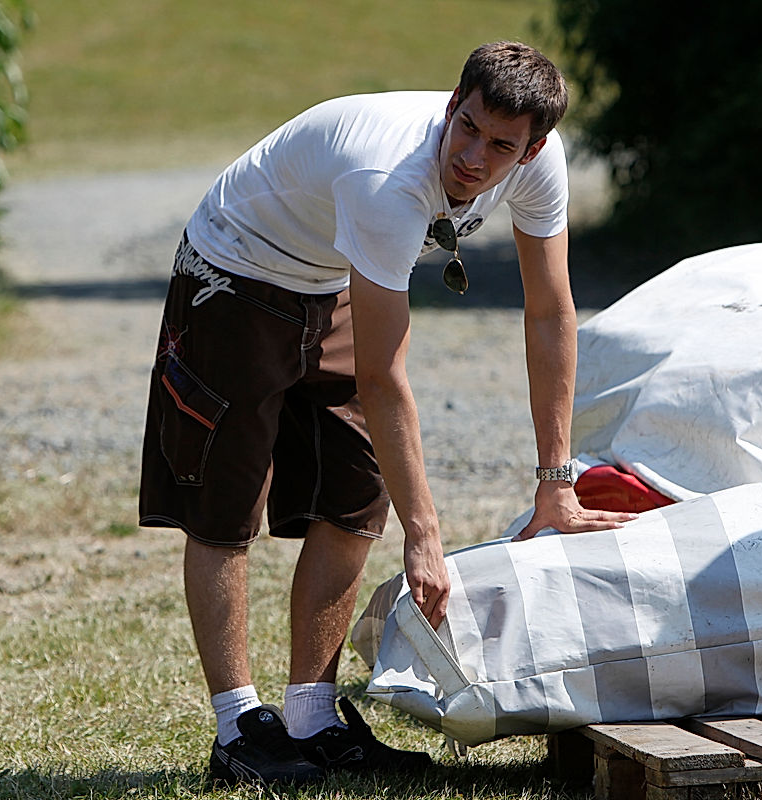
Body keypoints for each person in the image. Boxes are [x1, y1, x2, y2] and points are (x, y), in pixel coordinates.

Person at [137, 41, 636, 787]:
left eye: (500, 145)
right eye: (465, 126)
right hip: (233, 268)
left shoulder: (541, 165)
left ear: (531, 150)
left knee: (355, 496)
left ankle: (311, 717)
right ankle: (237, 728)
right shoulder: (390, 181)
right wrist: (425, 537)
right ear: (451, 103)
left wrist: (556, 483)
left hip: (327, 272)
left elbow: (550, 315)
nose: (472, 155)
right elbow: (384, 375)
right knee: (224, 507)